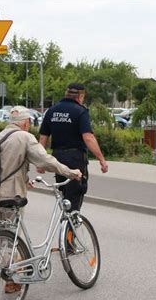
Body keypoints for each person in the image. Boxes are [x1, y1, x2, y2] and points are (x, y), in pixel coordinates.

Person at [0, 105, 82, 221]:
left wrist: (25, 182)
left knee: (0, 234)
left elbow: (9, 164)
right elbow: (46, 161)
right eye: (29, 122)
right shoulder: (25, 137)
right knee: (11, 236)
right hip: (10, 195)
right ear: (26, 122)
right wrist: (71, 172)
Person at [38, 83, 108, 212]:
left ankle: (64, 224)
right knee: (75, 196)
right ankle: (70, 228)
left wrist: (41, 163)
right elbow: (88, 138)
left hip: (57, 158)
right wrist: (101, 160)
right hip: (75, 159)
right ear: (80, 96)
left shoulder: (52, 111)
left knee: (63, 193)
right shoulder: (80, 111)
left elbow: (43, 138)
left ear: (67, 94)